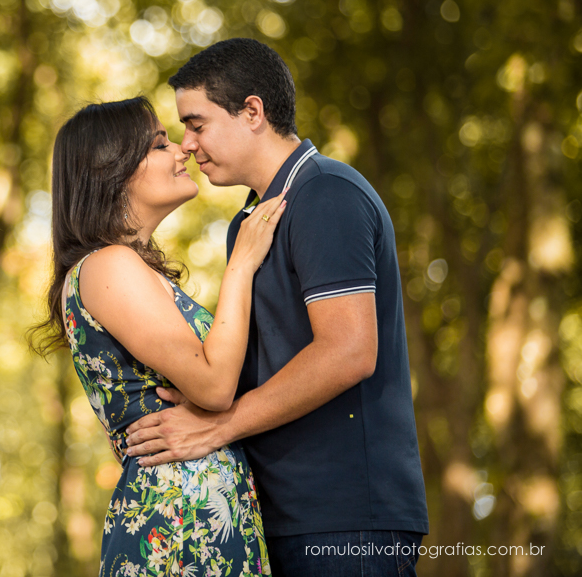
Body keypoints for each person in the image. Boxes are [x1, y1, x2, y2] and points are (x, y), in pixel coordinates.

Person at [124, 38, 429, 576]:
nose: (188, 145)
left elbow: (350, 350)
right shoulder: (250, 223)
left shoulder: (327, 194)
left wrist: (220, 427)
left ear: (253, 112)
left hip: (347, 518)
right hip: (277, 515)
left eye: (197, 124)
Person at [33, 96, 286, 576]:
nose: (182, 150)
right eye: (160, 143)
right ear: (112, 169)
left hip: (204, 510)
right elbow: (213, 385)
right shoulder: (108, 266)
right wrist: (242, 264)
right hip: (178, 520)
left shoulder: (124, 269)